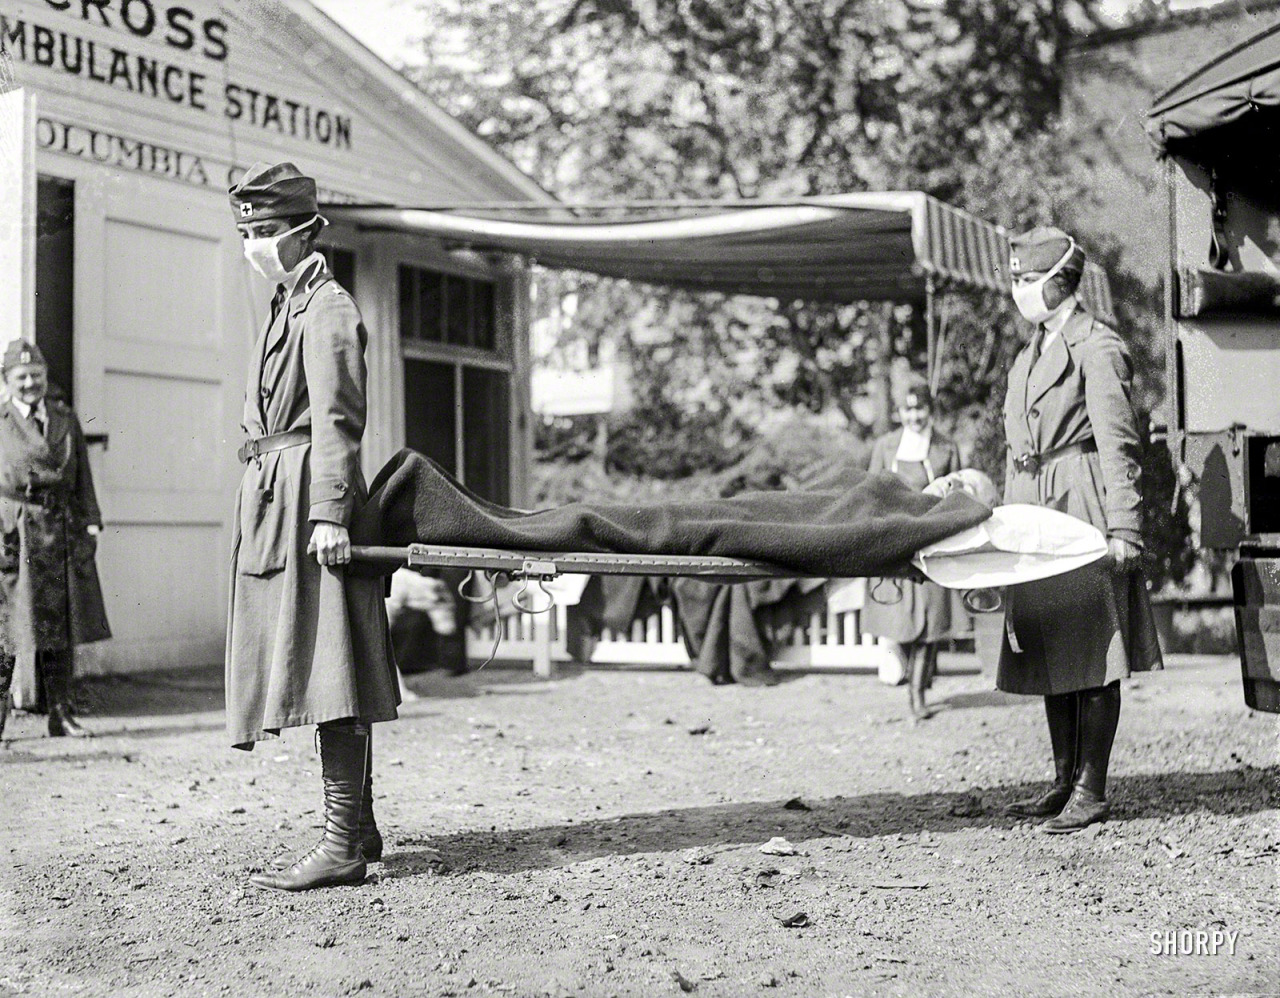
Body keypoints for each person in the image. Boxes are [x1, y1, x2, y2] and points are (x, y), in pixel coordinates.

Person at [225, 162, 399, 890]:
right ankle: (357, 828)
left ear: (303, 232)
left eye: (265, 232)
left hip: (308, 502)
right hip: (276, 498)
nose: (255, 244)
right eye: (246, 232)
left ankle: (341, 846)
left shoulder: (325, 307)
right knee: (322, 664)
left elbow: (337, 419)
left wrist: (330, 512)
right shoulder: (286, 303)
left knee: (333, 669)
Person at [999, 226, 1162, 833]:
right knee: (1050, 649)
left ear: (1058, 282)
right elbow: (1016, 444)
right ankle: (1063, 781)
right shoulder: (1031, 351)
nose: (1016, 290)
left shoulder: (1098, 346)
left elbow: (1120, 442)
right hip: (1034, 508)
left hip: (1083, 505)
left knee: (1093, 652)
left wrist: (1125, 528)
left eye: (1025, 280)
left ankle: (1092, 789)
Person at [0, 341, 110, 741]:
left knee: (59, 628)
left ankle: (59, 714)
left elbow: (82, 476)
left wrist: (91, 522)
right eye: (22, 377)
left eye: (37, 376)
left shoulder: (64, 418)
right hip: (14, 532)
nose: (31, 384)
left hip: (60, 529)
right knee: (6, 630)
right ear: (7, 381)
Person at [861, 377, 963, 721]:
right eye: (908, 409)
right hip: (894, 542)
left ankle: (917, 694)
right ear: (899, 412)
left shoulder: (945, 447)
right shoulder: (886, 446)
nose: (914, 416)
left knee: (930, 621)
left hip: (931, 540)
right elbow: (870, 492)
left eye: (920, 409)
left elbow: (959, 494)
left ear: (930, 410)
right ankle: (914, 676)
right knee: (900, 619)